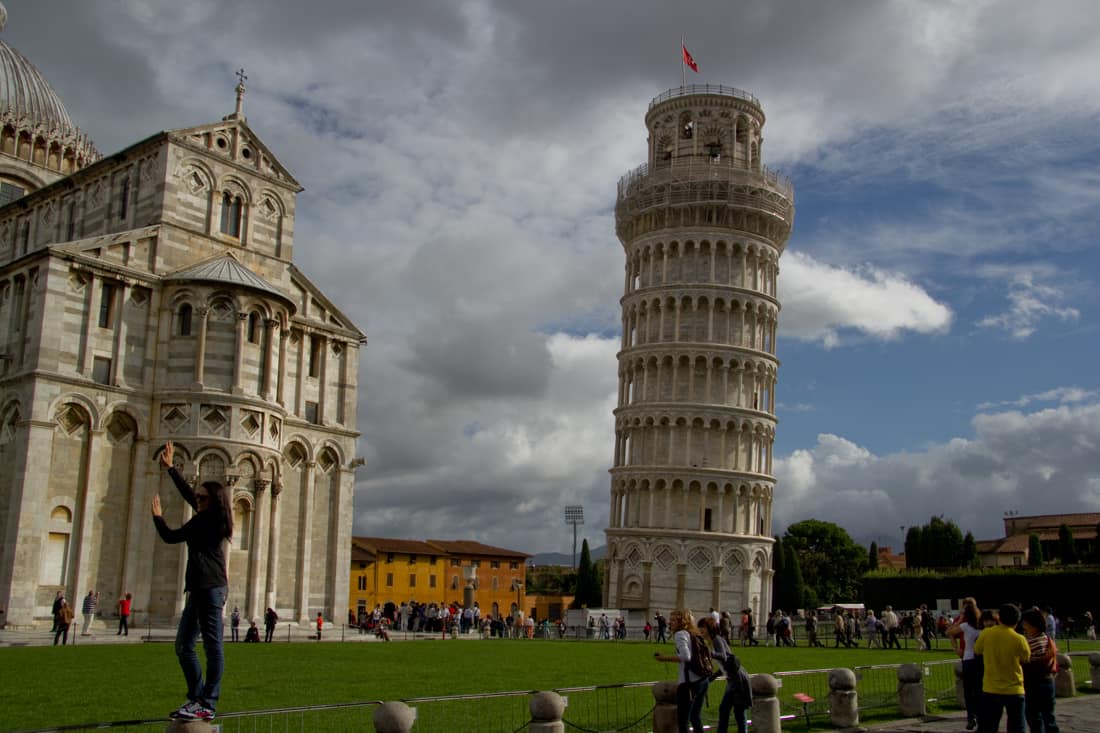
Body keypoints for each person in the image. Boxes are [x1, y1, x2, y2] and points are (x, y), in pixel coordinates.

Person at [152, 440, 233, 722]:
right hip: (200, 589)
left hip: (210, 589)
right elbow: (190, 495)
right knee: (183, 646)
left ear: (212, 503)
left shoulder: (207, 522)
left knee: (213, 647)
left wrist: (158, 517)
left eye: (202, 499)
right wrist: (171, 469)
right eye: (197, 498)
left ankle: (207, 703)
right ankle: (197, 697)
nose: (196, 501)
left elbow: (170, 536)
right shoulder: (208, 516)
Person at [973, 603, 1030, 733]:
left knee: (988, 726)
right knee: (1017, 727)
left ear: (999, 618)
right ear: (1017, 621)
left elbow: (977, 650)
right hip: (1014, 688)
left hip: (991, 687)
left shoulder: (987, 633)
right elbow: (1025, 659)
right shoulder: (1019, 639)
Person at [654, 609, 710, 733]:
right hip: (702, 679)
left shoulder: (680, 634)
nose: (670, 622)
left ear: (682, 621)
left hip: (689, 683)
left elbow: (686, 656)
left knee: (683, 720)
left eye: (673, 620)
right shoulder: (694, 633)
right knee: (695, 717)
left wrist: (664, 658)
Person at [701, 616, 752, 733]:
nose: (701, 630)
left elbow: (723, 656)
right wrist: (712, 677)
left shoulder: (716, 640)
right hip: (733, 679)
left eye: (703, 627)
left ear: (710, 628)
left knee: (737, 711)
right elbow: (725, 664)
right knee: (727, 710)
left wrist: (709, 653)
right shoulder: (714, 641)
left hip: (737, 679)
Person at [1021, 607, 1060, 733]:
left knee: (1034, 717)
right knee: (1048, 716)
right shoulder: (1047, 639)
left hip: (1034, 682)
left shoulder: (1032, 642)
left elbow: (1025, 661)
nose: (1023, 625)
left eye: (1025, 622)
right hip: (1048, 681)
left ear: (1032, 625)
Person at [947, 600, 984, 730]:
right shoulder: (983, 626)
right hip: (981, 659)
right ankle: (980, 716)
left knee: (969, 691)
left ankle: (971, 717)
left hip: (968, 658)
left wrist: (956, 648)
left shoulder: (965, 626)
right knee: (980, 690)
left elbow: (949, 632)